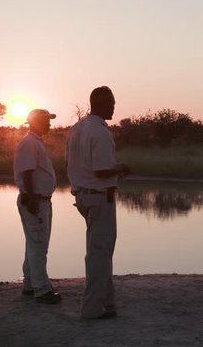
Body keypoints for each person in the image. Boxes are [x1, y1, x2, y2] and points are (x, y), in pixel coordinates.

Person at [66, 86, 130, 319]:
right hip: (100, 198)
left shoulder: (76, 128)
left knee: (100, 251)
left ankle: (107, 303)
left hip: (84, 197)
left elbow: (76, 166)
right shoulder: (100, 132)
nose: (114, 106)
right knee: (99, 253)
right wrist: (120, 168)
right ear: (100, 104)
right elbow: (102, 170)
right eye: (111, 102)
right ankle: (92, 309)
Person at [13, 109, 62, 304]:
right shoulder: (29, 143)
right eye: (45, 120)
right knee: (39, 245)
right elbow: (27, 173)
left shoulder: (34, 142)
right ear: (34, 122)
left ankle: (30, 284)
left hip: (40, 200)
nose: (49, 124)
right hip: (35, 201)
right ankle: (41, 290)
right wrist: (32, 199)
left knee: (33, 243)